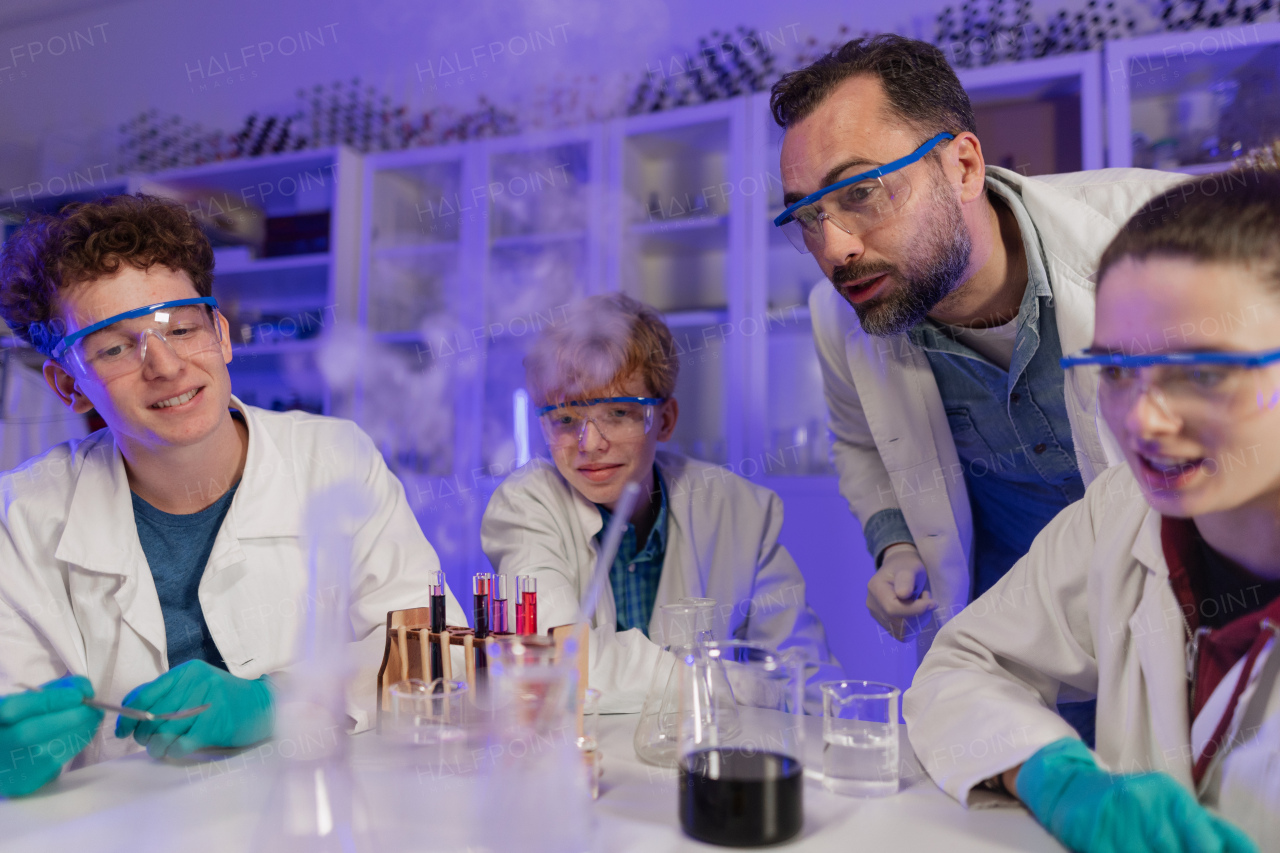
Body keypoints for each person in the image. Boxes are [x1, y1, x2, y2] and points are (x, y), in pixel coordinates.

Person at [0, 194, 467, 797]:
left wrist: (277, 701)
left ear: (220, 335)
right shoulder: (22, 516)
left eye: (182, 328)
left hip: (318, 817)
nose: (165, 366)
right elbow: (15, 710)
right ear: (70, 387)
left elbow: (438, 656)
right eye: (115, 347)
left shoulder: (333, 460)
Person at [770, 34, 1183, 688]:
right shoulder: (839, 316)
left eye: (860, 192)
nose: (835, 247)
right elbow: (860, 442)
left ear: (962, 166)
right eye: (808, 216)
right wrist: (895, 542)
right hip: (1016, 659)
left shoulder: (1163, 233)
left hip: (1192, 631)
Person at [903, 168, 1280, 851]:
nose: (1143, 420)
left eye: (1201, 371)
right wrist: (1056, 776)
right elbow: (961, 665)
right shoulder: (1123, 512)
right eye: (1116, 371)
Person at [481, 293, 839, 712]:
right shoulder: (526, 505)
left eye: (618, 413)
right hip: (585, 770)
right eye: (565, 419)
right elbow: (557, 657)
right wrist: (725, 686)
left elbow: (807, 682)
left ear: (664, 420)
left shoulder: (739, 511)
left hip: (705, 766)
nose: (590, 444)